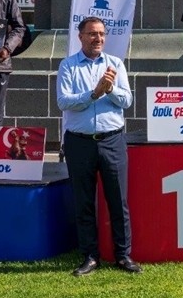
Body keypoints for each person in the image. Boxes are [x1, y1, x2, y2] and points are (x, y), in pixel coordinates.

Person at [57, 17, 141, 276]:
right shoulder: (68, 66)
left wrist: (109, 88)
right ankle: (90, 256)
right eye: (92, 34)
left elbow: (126, 100)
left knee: (118, 200)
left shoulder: (115, 64)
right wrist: (93, 94)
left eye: (102, 34)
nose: (98, 39)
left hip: (112, 140)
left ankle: (123, 255)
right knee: (84, 202)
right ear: (80, 36)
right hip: (79, 143)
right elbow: (63, 101)